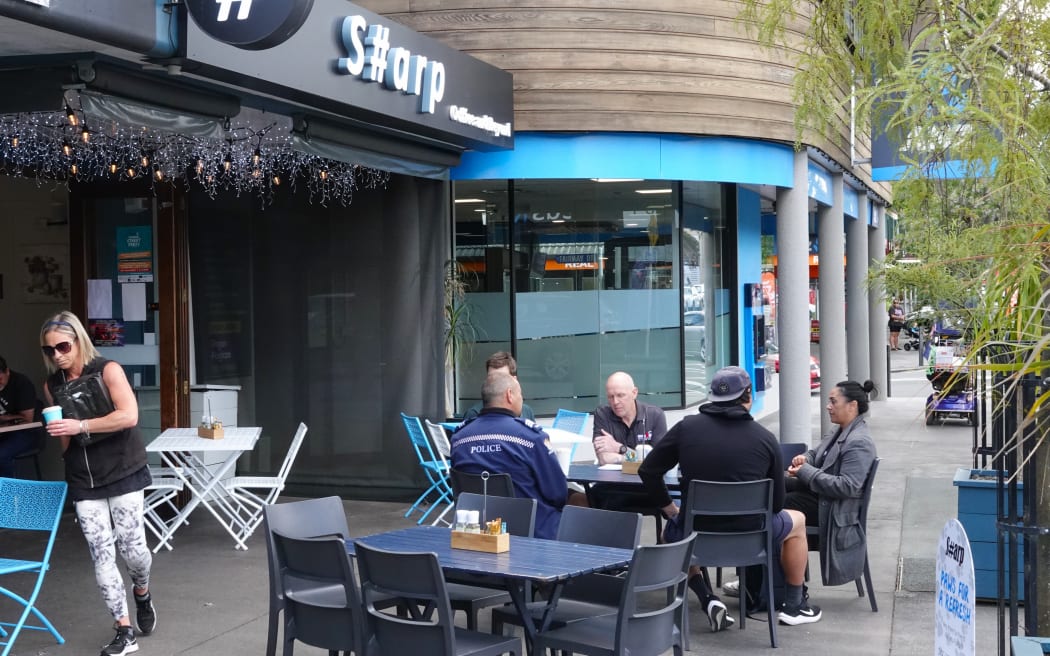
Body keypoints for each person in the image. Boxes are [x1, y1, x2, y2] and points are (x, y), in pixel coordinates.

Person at [639, 366, 821, 631]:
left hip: (696, 537)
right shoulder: (766, 439)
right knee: (799, 522)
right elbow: (778, 505)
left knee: (671, 534)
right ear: (748, 395)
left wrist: (670, 510)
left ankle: (707, 598)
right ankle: (794, 605)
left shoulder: (686, 428)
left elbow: (648, 471)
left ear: (713, 396)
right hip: (752, 539)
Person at [40, 311, 156, 656]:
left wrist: (81, 427)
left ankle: (142, 591)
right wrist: (66, 453)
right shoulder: (52, 386)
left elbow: (129, 415)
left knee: (134, 551)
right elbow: (63, 434)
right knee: (101, 555)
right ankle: (123, 629)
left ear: (78, 341)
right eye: (49, 350)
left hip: (123, 469)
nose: (57, 355)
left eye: (63, 346)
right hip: (83, 478)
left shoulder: (108, 370)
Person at [450, 371, 568, 539]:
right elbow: (557, 493)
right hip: (531, 535)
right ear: (509, 395)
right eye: (521, 394)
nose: (522, 399)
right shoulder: (530, 438)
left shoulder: (459, 439)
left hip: (478, 534)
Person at [785, 379, 879, 588]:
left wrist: (806, 471)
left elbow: (848, 486)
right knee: (775, 487)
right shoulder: (840, 430)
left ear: (852, 405)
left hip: (834, 510)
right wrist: (804, 460)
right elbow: (815, 453)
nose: (828, 406)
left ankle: (776, 583)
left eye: (833, 402)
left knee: (777, 506)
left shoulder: (859, 442)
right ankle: (768, 580)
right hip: (821, 499)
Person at [592, 371, 667, 465]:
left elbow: (659, 460)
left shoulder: (654, 415)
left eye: (620, 395)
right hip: (613, 478)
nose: (615, 402)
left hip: (645, 478)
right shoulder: (603, 414)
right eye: (611, 397)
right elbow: (604, 459)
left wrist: (619, 448)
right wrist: (639, 459)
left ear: (634, 393)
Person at [460, 351, 536, 422]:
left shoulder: (526, 412)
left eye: (502, 378)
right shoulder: (473, 414)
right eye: (491, 377)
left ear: (514, 380)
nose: (495, 382)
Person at [0, 355, 41, 477]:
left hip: (26, 433)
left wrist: (3, 419)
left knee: (1, 454)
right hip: (3, 433)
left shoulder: (21, 383)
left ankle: (7, 493)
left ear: (7, 371)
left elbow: (26, 420)